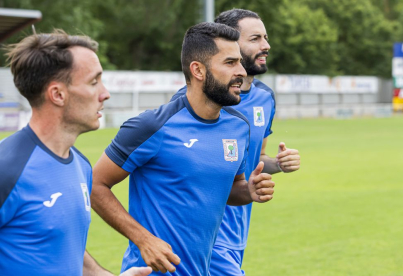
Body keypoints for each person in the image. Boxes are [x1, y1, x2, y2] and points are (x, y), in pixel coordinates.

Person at [91, 22, 275, 276]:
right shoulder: (152, 125)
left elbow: (233, 189)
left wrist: (249, 190)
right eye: (230, 63)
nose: (242, 71)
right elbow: (94, 184)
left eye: (241, 63)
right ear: (198, 70)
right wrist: (143, 239)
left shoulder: (238, 127)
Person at [0, 30, 152, 276]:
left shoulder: (81, 165)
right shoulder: (7, 169)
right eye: (94, 82)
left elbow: (63, 248)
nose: (105, 93)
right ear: (58, 94)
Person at [171, 9, 301, 275]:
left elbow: (256, 159)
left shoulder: (265, 98)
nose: (266, 45)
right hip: (203, 232)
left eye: (265, 37)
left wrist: (277, 164)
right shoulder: (190, 101)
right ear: (230, 44)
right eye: (255, 39)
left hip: (238, 229)